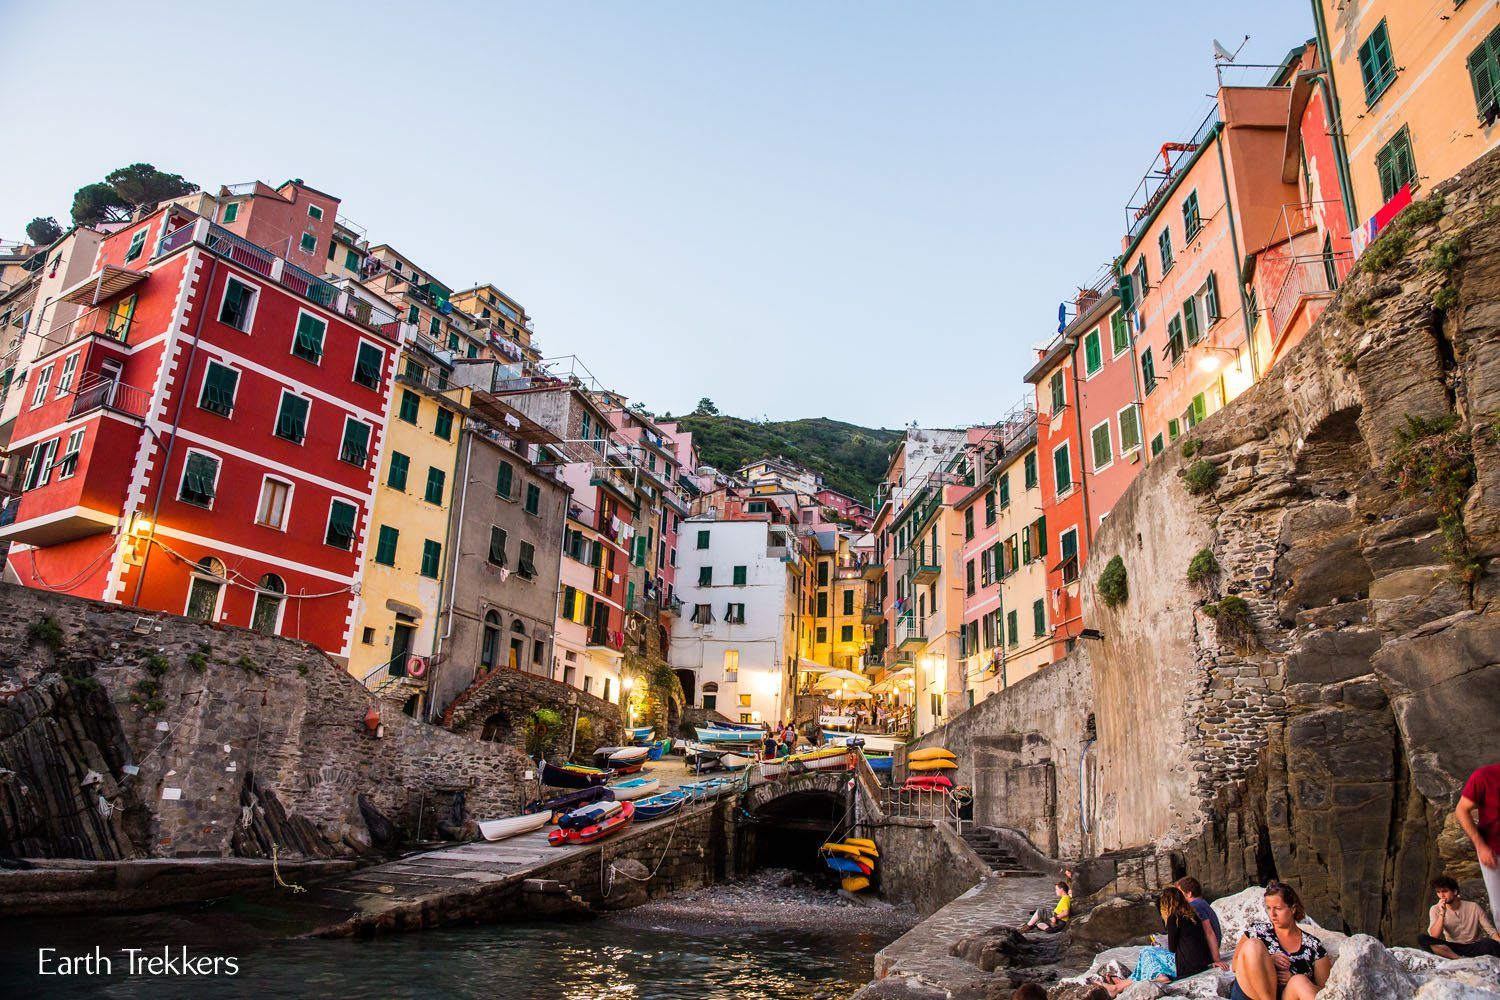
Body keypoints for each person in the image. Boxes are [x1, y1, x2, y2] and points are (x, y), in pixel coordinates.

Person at [1099, 886, 1214, 996]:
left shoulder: (1173, 918)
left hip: (1185, 967)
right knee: (1150, 956)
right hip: (1201, 964)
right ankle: (1119, 986)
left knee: (1147, 952)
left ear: (1166, 904)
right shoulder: (1194, 916)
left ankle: (1159, 977)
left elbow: (1172, 948)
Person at [1231, 881, 1330, 1000]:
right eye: (1268, 908)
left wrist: (1293, 976)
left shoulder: (1313, 946)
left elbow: (1326, 990)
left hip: (1286, 996)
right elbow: (1235, 965)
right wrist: (1267, 959)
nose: (1272, 914)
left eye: (1278, 908)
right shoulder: (1257, 931)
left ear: (1293, 909)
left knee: (1299, 981)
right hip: (1252, 993)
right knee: (1253, 945)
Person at [1457, 762, 1500, 927]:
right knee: (1499, 909)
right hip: (1493, 852)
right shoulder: (1484, 776)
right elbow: (1461, 810)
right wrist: (1480, 846)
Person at [1419, 876, 1500, 959]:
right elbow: (1434, 936)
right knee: (1422, 939)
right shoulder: (1435, 909)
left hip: (1473, 946)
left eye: (1445, 891)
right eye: (1438, 892)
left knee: (1490, 943)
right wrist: (1442, 913)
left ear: (1455, 891)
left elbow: (1491, 931)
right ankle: (1458, 958)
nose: (1441, 895)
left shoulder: (1473, 907)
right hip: (1453, 948)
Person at [1177, 876, 1227, 970]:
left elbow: (1209, 932)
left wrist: (1216, 959)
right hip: (1208, 953)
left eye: (1180, 894)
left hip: (1206, 955)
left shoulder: (1195, 906)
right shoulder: (1202, 903)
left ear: (1189, 894)